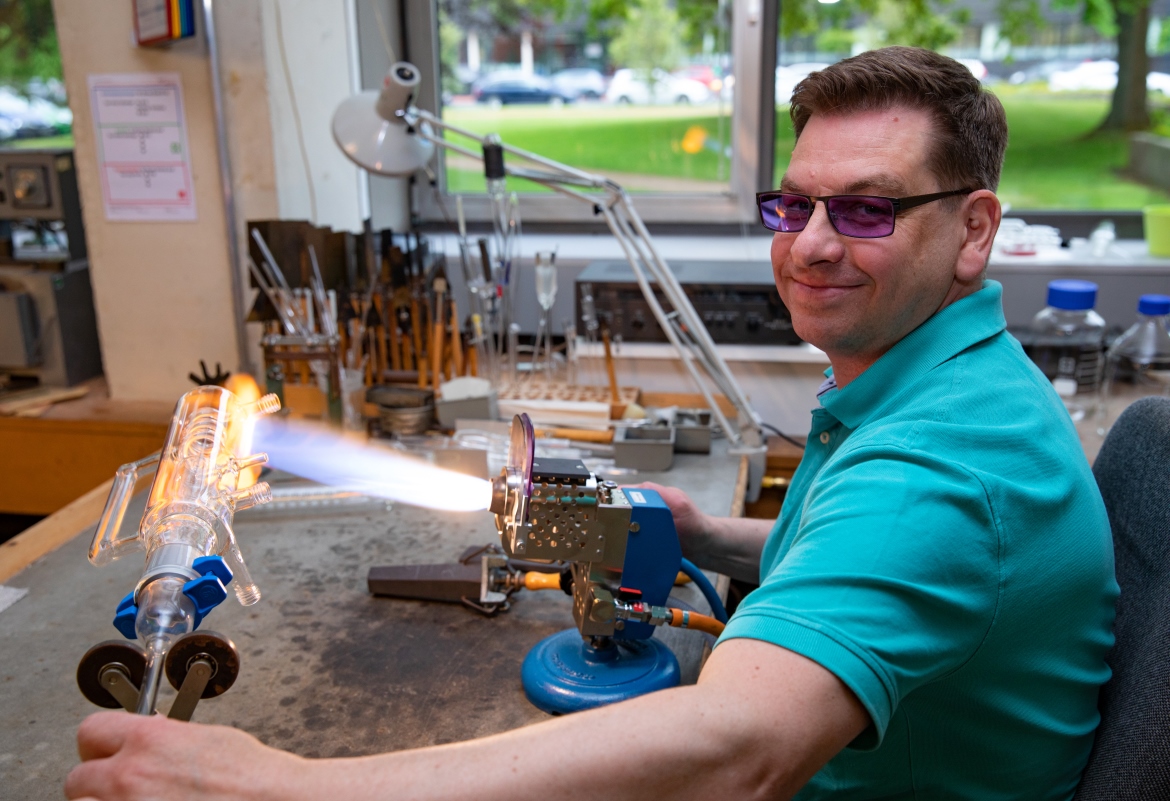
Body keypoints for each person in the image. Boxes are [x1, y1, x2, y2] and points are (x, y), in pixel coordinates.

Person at [65, 47, 1116, 801]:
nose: (811, 245)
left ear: (974, 229)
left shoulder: (935, 468)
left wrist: (282, 788)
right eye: (792, 207)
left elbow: (734, 751)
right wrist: (705, 534)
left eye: (869, 210)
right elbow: (869, 545)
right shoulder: (949, 383)